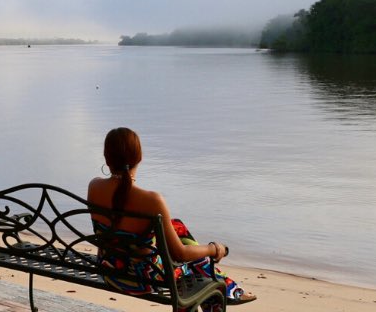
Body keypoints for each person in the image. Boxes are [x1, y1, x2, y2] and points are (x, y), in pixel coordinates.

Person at [87, 127, 257, 308]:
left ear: (107, 158)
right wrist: (214, 249)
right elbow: (180, 254)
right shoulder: (152, 201)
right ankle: (229, 289)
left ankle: (231, 288)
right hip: (144, 278)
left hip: (109, 270)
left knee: (176, 225)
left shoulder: (94, 186)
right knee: (196, 264)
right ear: (140, 158)